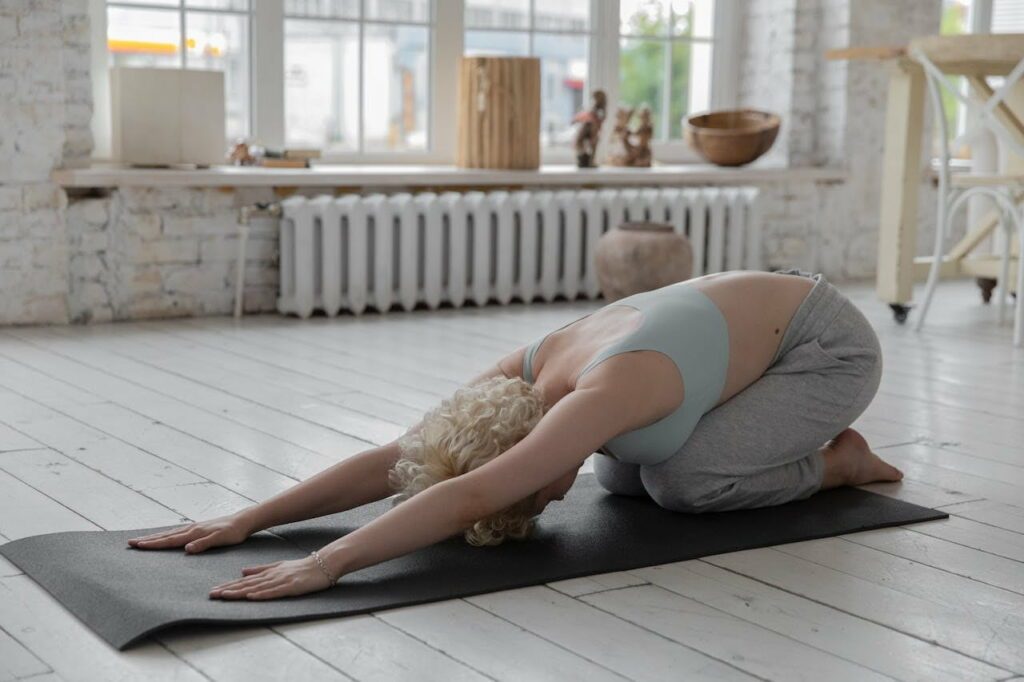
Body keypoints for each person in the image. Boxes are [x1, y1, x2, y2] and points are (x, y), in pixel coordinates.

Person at [128, 269, 903, 601]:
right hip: (744, 337)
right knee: (627, 476)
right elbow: (400, 453)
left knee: (682, 481)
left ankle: (839, 461)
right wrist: (252, 517)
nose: (539, 504)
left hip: (822, 349)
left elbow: (480, 490)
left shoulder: (603, 388)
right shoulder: (525, 376)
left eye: (529, 499)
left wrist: (329, 563)